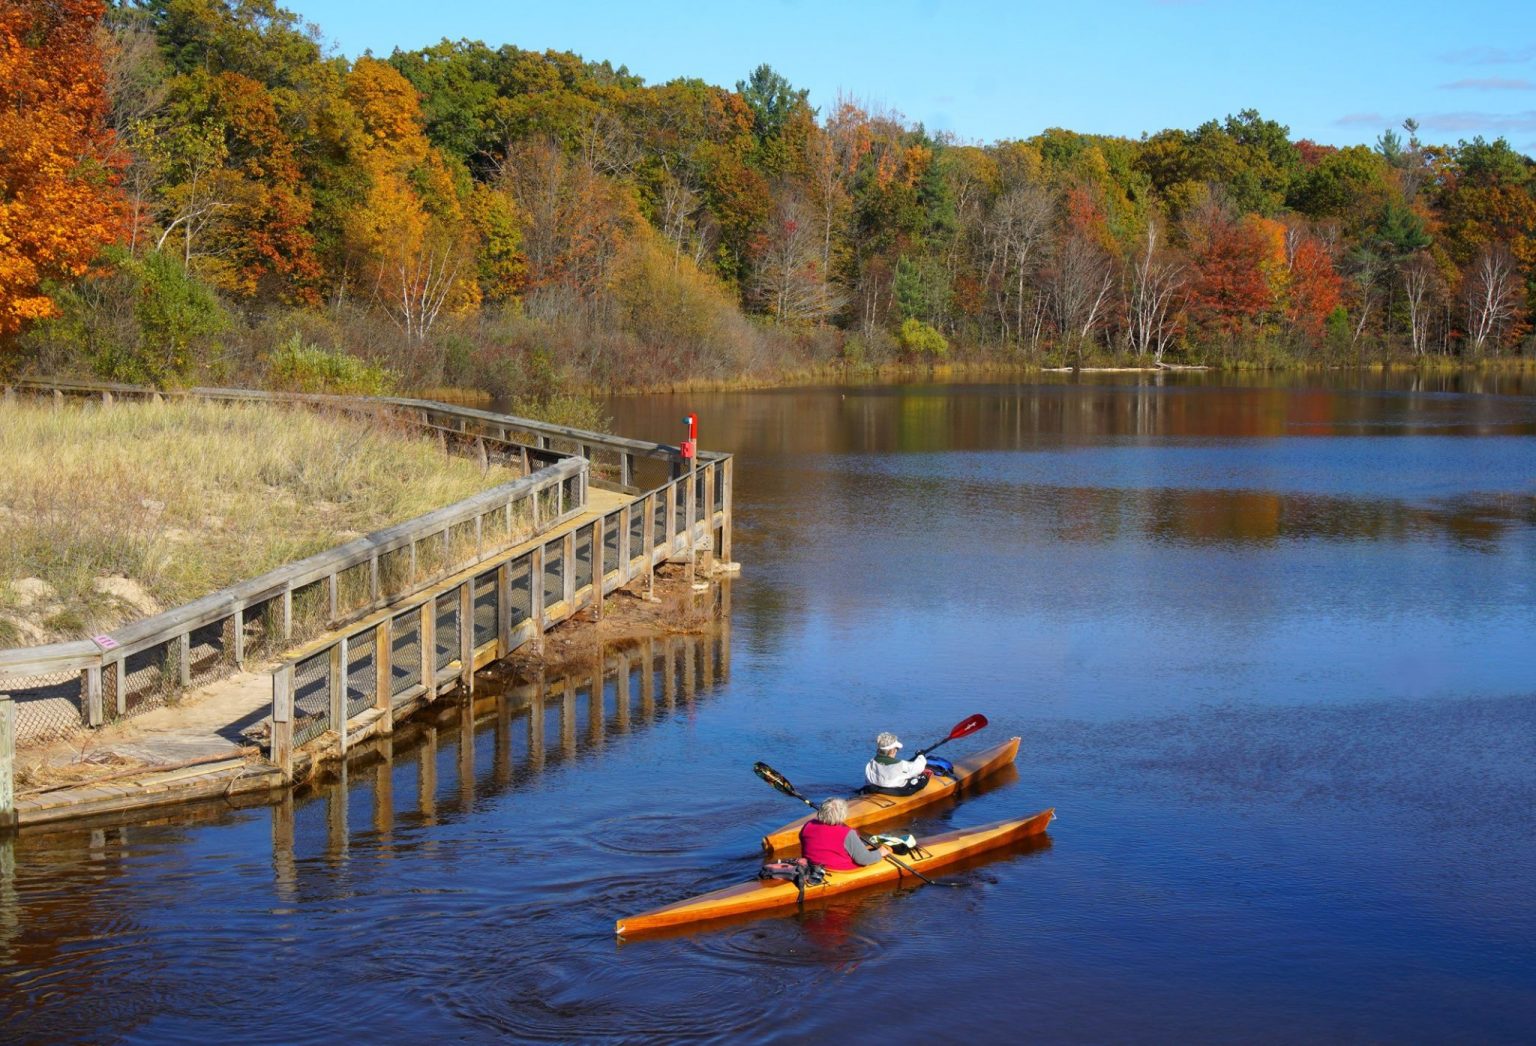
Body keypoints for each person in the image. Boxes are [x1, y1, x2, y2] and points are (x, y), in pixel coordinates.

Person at [799, 797, 890, 871]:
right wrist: (879, 853)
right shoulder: (847, 833)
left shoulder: (809, 824)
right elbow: (863, 860)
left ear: (822, 812)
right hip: (840, 870)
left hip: (813, 866)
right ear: (843, 814)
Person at [863, 731, 928, 796]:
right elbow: (919, 768)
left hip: (875, 788)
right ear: (891, 751)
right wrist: (921, 756)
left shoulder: (870, 764)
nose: (897, 750)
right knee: (923, 779)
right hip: (897, 791)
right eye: (896, 748)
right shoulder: (901, 765)